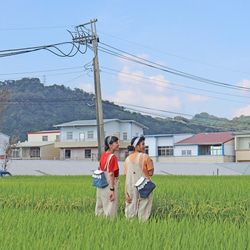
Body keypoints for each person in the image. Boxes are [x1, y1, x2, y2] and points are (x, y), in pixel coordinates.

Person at [124, 135, 154, 222]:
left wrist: (125, 193)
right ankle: (143, 227)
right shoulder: (145, 157)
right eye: (143, 144)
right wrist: (152, 163)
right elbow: (150, 173)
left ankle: (131, 228)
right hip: (144, 186)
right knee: (144, 208)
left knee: (130, 210)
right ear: (137, 146)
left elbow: (127, 177)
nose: (144, 146)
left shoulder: (127, 159)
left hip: (130, 186)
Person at [95, 135, 120, 218]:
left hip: (101, 185)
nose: (118, 144)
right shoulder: (112, 157)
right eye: (116, 143)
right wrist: (112, 190)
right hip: (109, 185)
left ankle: (100, 225)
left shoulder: (103, 155)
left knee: (100, 207)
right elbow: (111, 174)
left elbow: (99, 168)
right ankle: (110, 227)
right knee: (110, 208)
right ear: (110, 145)